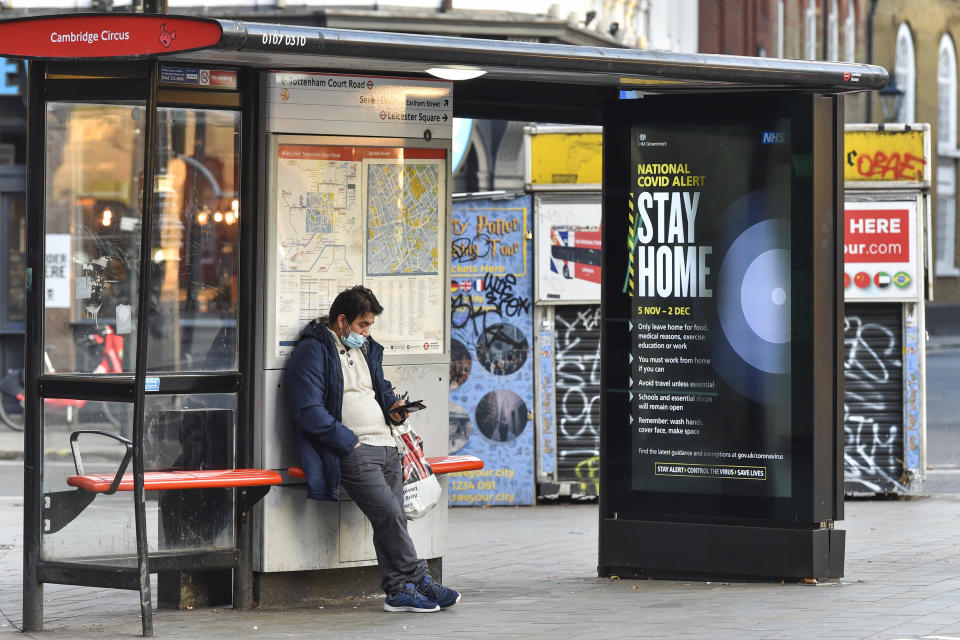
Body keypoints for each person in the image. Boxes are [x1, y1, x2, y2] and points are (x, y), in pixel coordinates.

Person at [285, 285, 460, 613]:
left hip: (387, 445)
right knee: (390, 513)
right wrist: (347, 441)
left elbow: (379, 390)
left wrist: (393, 407)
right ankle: (420, 578)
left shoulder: (368, 350)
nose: (366, 333)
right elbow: (307, 411)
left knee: (391, 521)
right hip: (354, 449)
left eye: (369, 327)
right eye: (363, 325)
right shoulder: (314, 351)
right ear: (342, 321)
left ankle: (397, 591)